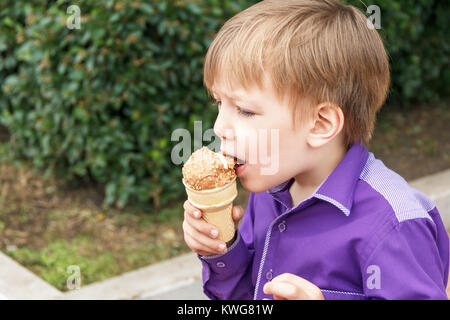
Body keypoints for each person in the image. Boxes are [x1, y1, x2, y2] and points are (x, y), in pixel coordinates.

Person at [182, 0, 449, 300]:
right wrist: (222, 250)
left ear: (320, 124)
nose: (219, 127)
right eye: (220, 103)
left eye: (244, 110)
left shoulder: (394, 224)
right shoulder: (267, 195)